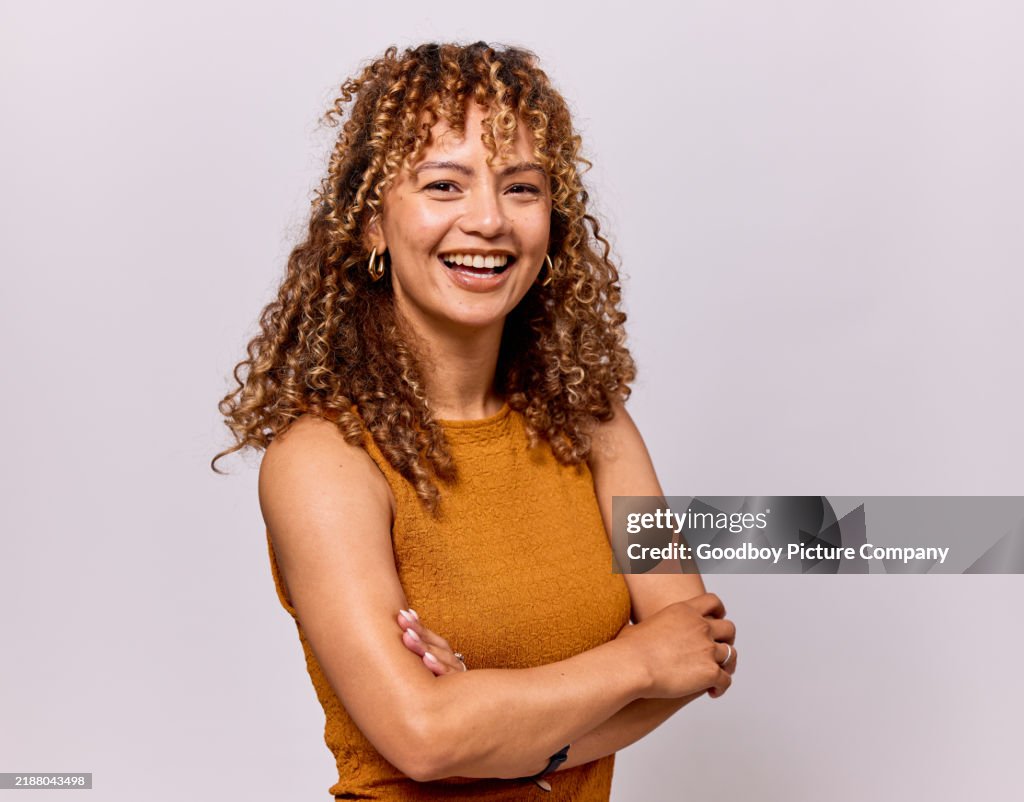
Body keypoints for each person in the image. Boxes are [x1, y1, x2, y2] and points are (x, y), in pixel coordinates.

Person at [212, 41, 737, 801]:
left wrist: (494, 724)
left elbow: (700, 646)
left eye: (521, 187)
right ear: (370, 224)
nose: (488, 220)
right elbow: (424, 738)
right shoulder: (322, 460)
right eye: (443, 185)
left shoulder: (593, 424)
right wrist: (636, 662)